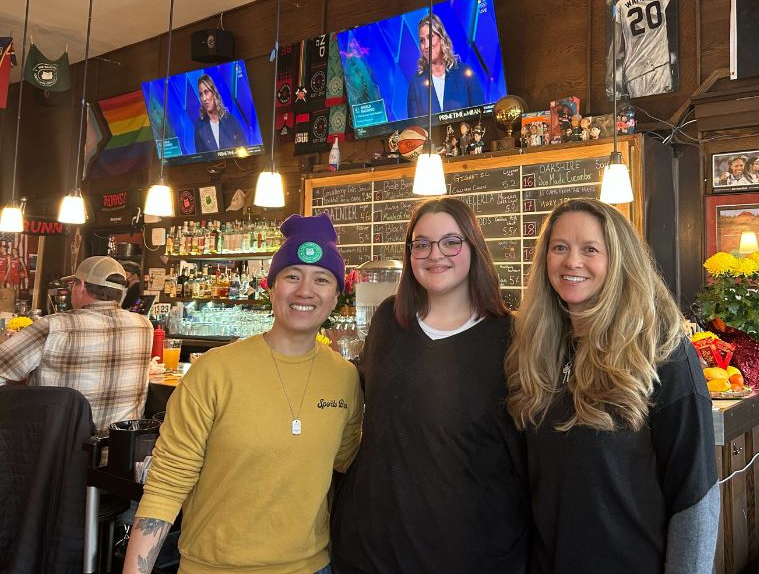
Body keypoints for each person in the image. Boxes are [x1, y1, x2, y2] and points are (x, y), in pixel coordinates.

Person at [124, 214, 363, 574]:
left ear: (335, 297)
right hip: (213, 567)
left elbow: (352, 463)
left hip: (311, 567)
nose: (305, 290)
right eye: (292, 276)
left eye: (322, 279)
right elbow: (168, 482)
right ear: (271, 286)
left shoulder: (345, 379)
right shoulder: (215, 370)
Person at [505, 199, 719, 573]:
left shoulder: (661, 349)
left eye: (590, 249)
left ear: (619, 260)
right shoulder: (538, 347)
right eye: (560, 248)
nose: (572, 261)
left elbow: (695, 493)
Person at [331, 198, 530, 574]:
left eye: (450, 242)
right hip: (370, 549)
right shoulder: (389, 320)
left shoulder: (513, 337)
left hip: (473, 552)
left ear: (474, 247)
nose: (434, 254)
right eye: (421, 244)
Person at [0, 256, 153, 436]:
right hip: (119, 452)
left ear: (81, 286)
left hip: (57, 452)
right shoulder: (144, 325)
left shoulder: (53, 326)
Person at [611, 0, 678, 98]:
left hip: (633, 71)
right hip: (658, 64)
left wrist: (609, 74)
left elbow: (616, 43)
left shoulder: (620, 4)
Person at [406, 14, 485, 117]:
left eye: (430, 37)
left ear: (441, 38)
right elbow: (414, 130)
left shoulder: (464, 74)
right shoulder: (416, 83)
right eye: (422, 40)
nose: (426, 46)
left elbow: (482, 118)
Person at [193, 73, 248, 153]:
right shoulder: (199, 125)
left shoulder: (231, 120)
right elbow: (200, 158)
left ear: (213, 93)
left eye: (206, 92)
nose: (204, 98)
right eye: (201, 94)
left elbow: (245, 149)